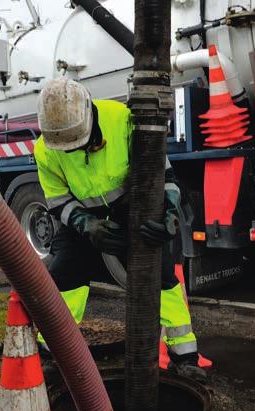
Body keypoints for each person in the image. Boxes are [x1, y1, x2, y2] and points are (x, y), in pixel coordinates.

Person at [33, 77, 205, 381]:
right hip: (87, 218)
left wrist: (169, 215)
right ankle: (50, 353)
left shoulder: (122, 120)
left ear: (89, 114)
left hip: (133, 207)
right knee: (63, 275)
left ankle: (185, 357)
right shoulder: (46, 149)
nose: (74, 151)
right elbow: (58, 200)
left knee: (161, 275)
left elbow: (165, 177)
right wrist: (87, 226)